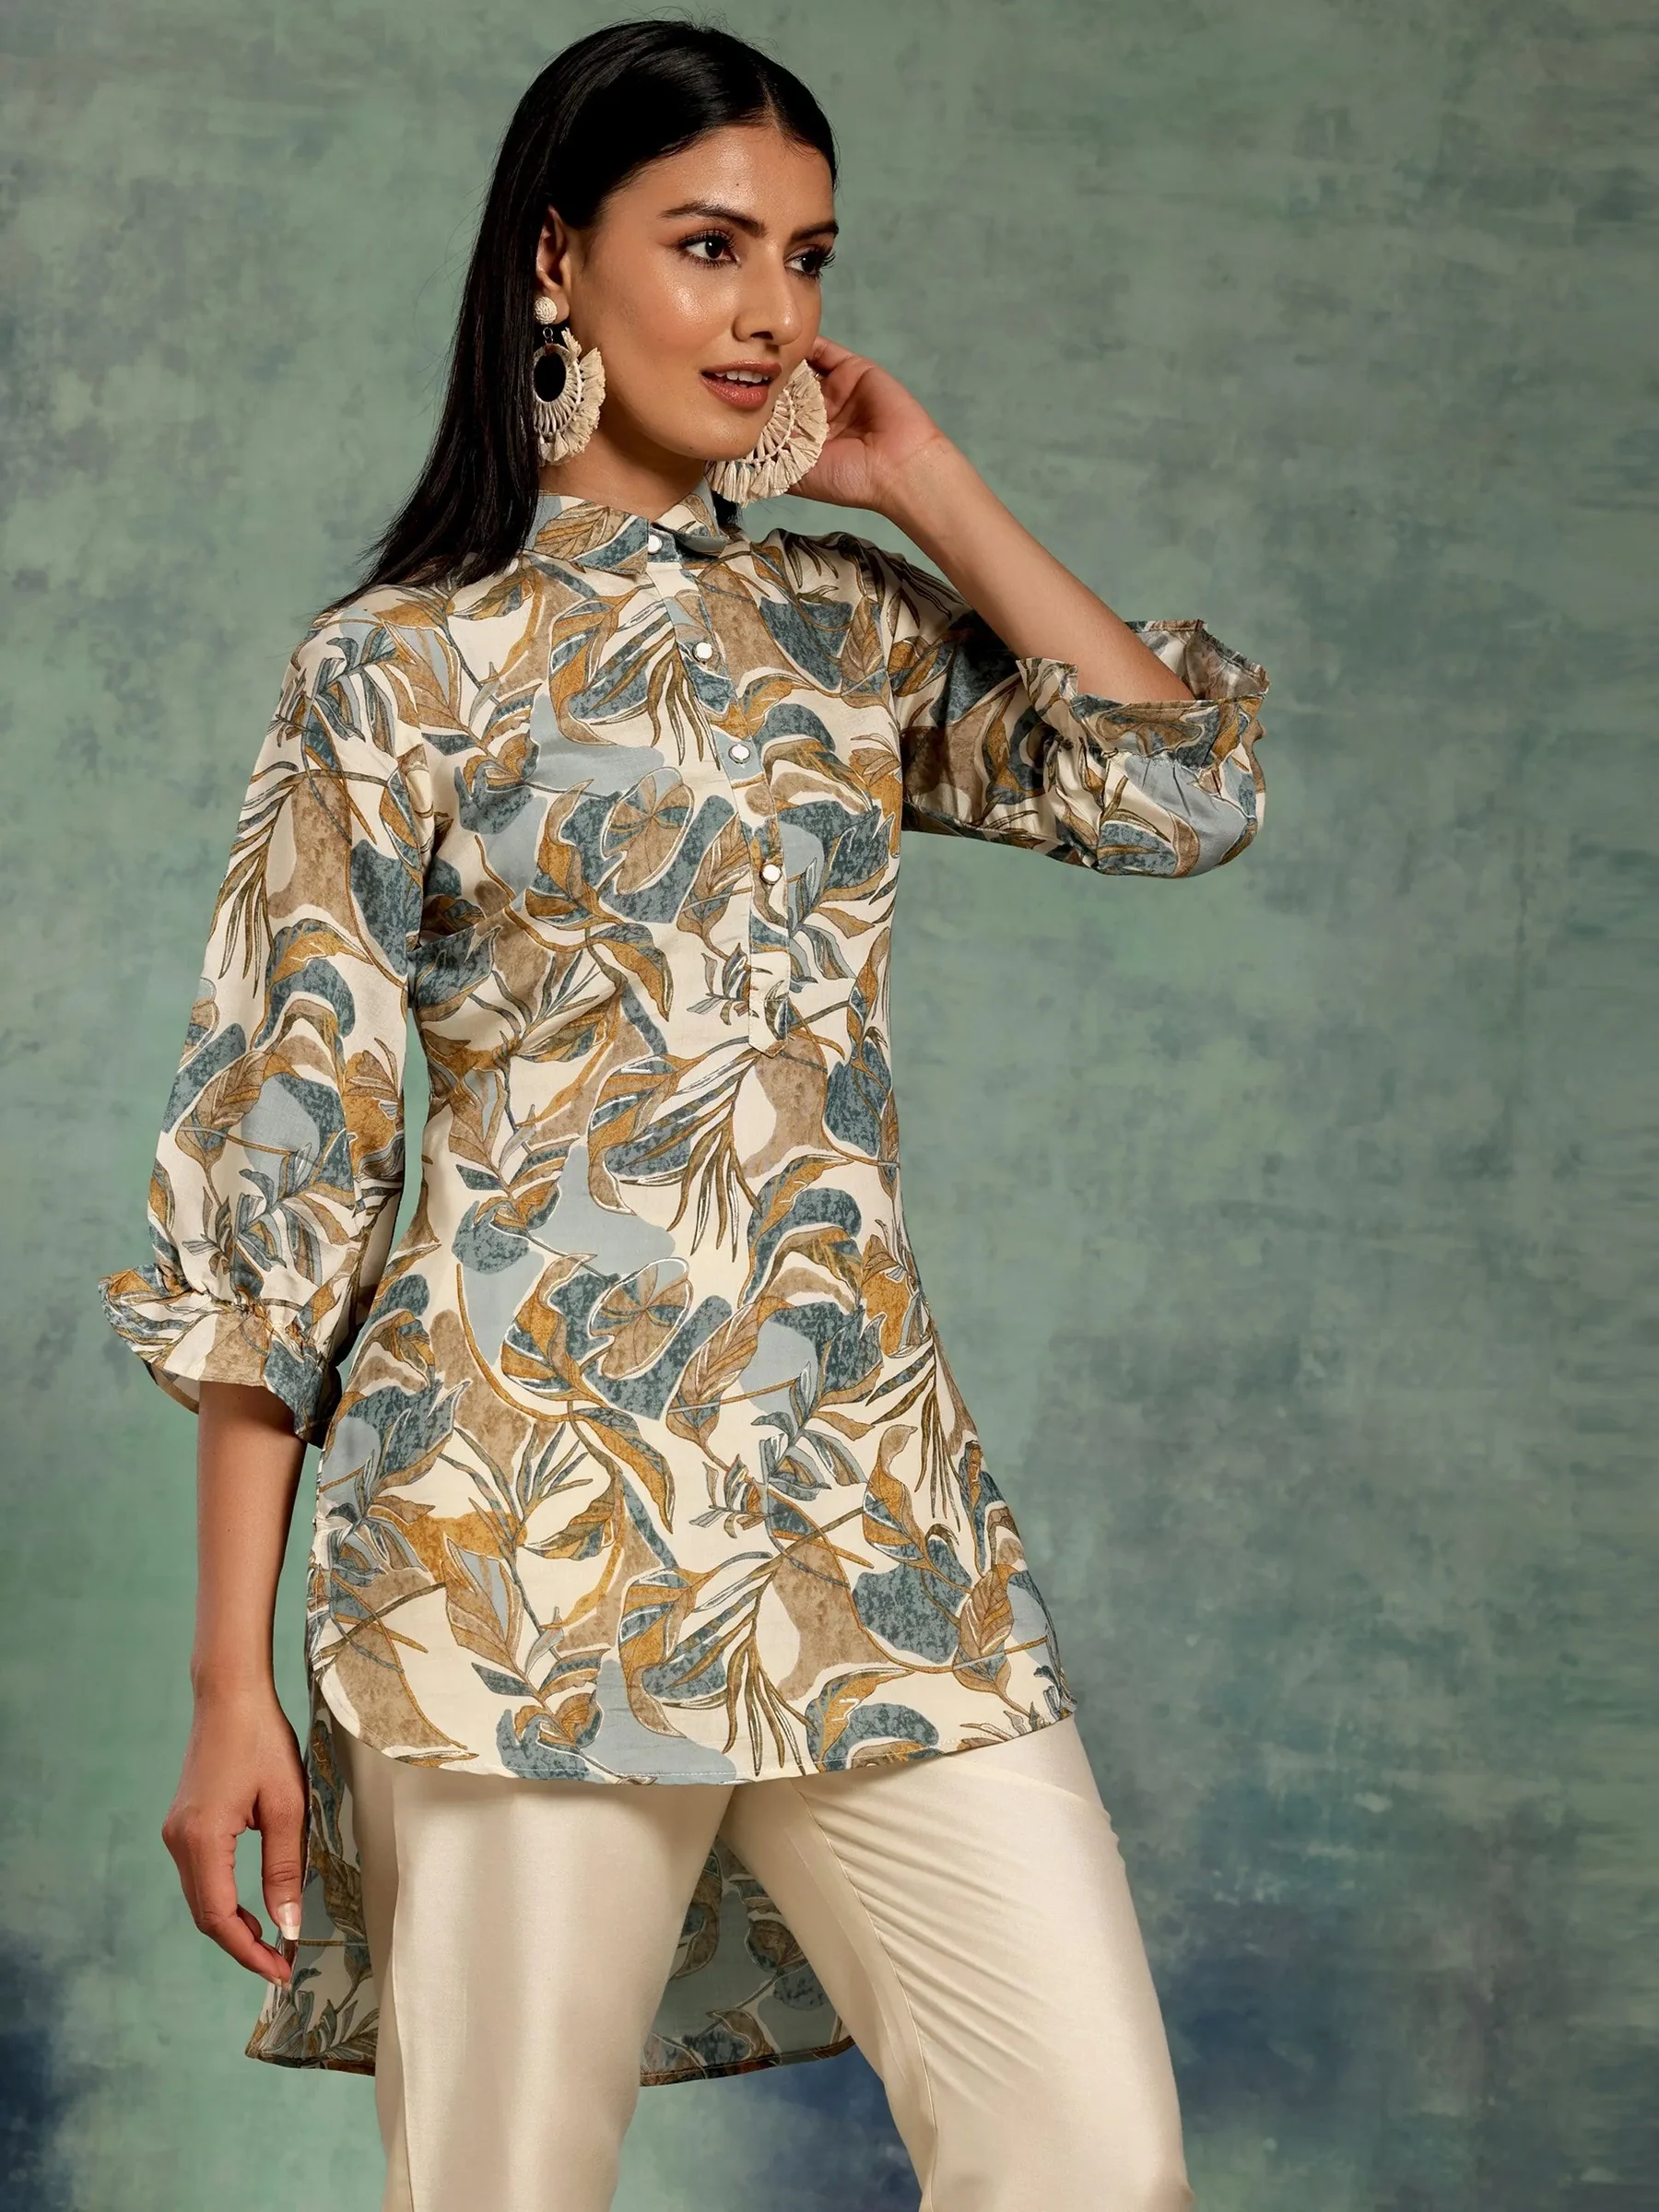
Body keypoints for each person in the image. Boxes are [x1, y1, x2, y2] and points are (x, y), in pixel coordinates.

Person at [98, 18, 1271, 2210]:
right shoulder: (396, 670)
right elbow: (280, 1183)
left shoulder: (841, 631)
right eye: (711, 245)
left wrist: (926, 483)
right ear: (557, 261)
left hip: (865, 1526)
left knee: (1094, 2160)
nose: (771, 314)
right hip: (509, 1549)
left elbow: (1176, 792)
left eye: (806, 258)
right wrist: (226, 1685)